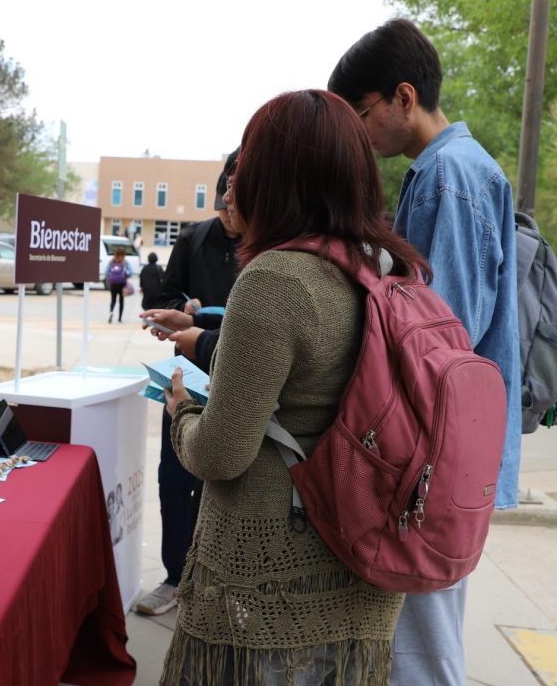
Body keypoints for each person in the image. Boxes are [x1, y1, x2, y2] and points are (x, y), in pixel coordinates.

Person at [160, 90, 422, 684]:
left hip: (272, 585)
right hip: (366, 571)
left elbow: (220, 453)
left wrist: (183, 412)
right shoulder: (387, 267)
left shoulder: (276, 279)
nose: (233, 189)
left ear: (273, 178)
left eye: (245, 167)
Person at [329, 18, 521, 686]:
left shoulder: (449, 177)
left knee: (420, 654)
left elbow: (442, 338)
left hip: (434, 458)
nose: (358, 134)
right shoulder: (443, 171)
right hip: (442, 451)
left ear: (403, 97)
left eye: (360, 114)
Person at [133, 150, 241, 617]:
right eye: (225, 205)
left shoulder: (272, 248)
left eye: (238, 205)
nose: (231, 215)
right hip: (187, 378)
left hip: (240, 380)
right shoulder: (194, 237)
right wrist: (181, 309)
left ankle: (221, 585)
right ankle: (176, 578)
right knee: (174, 478)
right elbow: (161, 295)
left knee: (229, 484)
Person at [105, 246, 134, 322]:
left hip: (113, 284)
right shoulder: (125, 262)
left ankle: (111, 312)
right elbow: (131, 272)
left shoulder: (112, 261)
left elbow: (106, 272)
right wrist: (125, 275)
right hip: (122, 284)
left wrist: (111, 278)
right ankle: (120, 318)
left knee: (113, 300)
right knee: (121, 301)